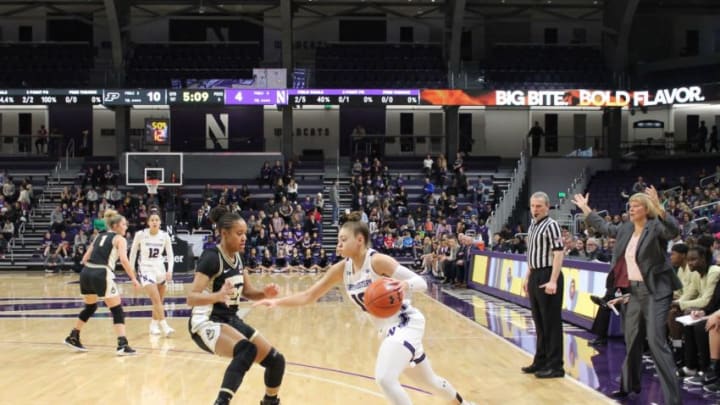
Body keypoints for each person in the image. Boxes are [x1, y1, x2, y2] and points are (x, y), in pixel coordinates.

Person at [253, 212, 476, 405]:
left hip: (406, 323)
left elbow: (422, 283)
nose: (338, 244)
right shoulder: (342, 269)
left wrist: (406, 284)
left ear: (359, 240)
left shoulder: (378, 261)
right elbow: (309, 295)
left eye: (343, 240)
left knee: (385, 378)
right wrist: (276, 302)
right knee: (432, 383)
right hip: (387, 331)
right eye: (338, 240)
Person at [573, 187, 682, 404]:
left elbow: (673, 231)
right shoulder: (626, 229)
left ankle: (672, 399)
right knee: (631, 339)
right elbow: (604, 227)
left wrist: (661, 209)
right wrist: (586, 209)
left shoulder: (656, 227)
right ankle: (628, 385)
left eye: (636, 206)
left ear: (646, 209)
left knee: (656, 340)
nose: (631, 210)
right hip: (635, 291)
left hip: (656, 291)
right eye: (630, 206)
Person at [187, 206, 285, 405]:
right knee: (247, 350)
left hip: (231, 320)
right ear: (224, 233)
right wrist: (217, 295)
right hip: (206, 321)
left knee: (276, 361)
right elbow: (191, 298)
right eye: (239, 234)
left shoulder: (239, 257)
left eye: (245, 234)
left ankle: (270, 401)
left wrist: (264, 293)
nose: (244, 238)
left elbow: (248, 292)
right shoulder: (211, 257)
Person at [63, 209, 140, 355]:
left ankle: (73, 336)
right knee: (117, 309)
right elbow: (124, 260)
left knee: (91, 307)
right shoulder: (119, 239)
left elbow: (85, 258)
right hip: (101, 273)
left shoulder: (99, 236)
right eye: (124, 224)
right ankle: (122, 344)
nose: (126, 227)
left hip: (86, 273)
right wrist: (134, 278)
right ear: (116, 225)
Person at [521, 192, 565, 378]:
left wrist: (553, 280)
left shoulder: (552, 225)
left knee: (551, 323)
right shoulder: (532, 225)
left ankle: (555, 366)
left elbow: (558, 254)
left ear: (547, 207)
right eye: (532, 206)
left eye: (539, 206)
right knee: (539, 322)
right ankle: (541, 360)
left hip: (548, 274)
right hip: (535, 274)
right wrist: (527, 277)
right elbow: (531, 254)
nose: (535, 209)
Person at [129, 209, 175, 337]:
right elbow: (133, 253)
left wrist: (170, 270)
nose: (154, 222)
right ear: (148, 222)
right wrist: (131, 270)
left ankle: (153, 325)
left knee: (159, 300)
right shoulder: (140, 234)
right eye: (152, 220)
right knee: (156, 299)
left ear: (160, 222)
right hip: (146, 268)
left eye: (157, 220)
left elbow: (170, 255)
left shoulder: (165, 235)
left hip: (160, 269)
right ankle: (165, 326)